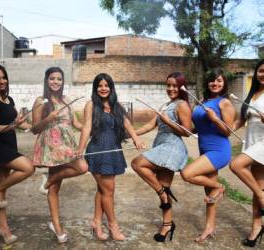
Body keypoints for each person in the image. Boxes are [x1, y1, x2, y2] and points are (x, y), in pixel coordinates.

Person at [76, 73, 144, 241]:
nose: (103, 88)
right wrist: (80, 148)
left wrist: (136, 139)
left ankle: (96, 223)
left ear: (111, 88)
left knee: (102, 189)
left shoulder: (116, 106)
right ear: (95, 88)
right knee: (109, 190)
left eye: (106, 85)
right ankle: (113, 225)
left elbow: (127, 124)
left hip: (113, 151)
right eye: (100, 85)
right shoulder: (91, 105)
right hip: (98, 151)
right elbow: (86, 128)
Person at [131, 72, 192, 242]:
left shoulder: (182, 105)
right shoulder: (166, 104)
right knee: (165, 187)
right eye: (168, 85)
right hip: (161, 144)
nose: (171, 88)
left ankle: (163, 194)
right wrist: (131, 134)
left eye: (175, 85)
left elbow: (187, 132)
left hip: (172, 146)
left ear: (181, 87)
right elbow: (151, 125)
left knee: (137, 163)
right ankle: (167, 224)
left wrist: (168, 121)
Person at [32, 67, 88, 244]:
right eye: (52, 78)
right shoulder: (41, 101)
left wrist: (89, 127)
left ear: (63, 82)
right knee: (55, 189)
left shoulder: (67, 100)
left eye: (59, 79)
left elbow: (76, 123)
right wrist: (49, 118)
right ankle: (56, 226)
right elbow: (34, 129)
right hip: (53, 146)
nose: (55, 82)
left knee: (82, 167)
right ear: (46, 80)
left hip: (68, 145)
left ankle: (46, 182)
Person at [0, 64, 35, 245]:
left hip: (8, 143)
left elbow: (18, 123)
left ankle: (3, 230)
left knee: (1, 189)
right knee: (27, 167)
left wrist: (36, 127)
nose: (2, 81)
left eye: (3, 77)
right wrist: (14, 125)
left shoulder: (8, 99)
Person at [181, 68, 235, 243]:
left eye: (219, 80)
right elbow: (197, 128)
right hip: (205, 149)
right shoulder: (202, 101)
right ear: (207, 83)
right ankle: (209, 228)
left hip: (219, 150)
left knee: (187, 173)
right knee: (210, 192)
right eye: (212, 80)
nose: (215, 83)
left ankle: (220, 187)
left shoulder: (224, 103)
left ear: (224, 83)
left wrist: (215, 119)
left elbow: (228, 132)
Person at [229, 59, 264, 247]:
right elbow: (241, 121)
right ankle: (256, 227)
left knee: (236, 165)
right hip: (253, 142)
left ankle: (262, 196)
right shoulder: (252, 95)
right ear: (256, 73)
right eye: (260, 71)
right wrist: (227, 129)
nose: (263, 74)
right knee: (257, 188)